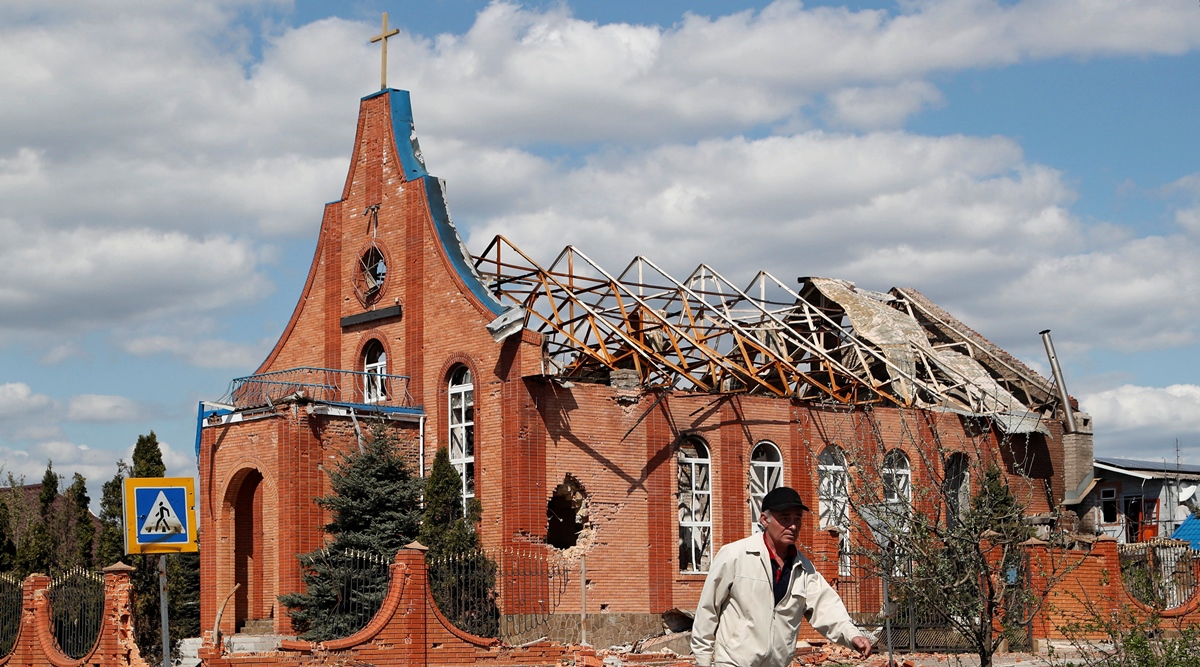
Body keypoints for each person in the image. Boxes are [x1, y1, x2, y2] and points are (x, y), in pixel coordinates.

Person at [691, 486, 872, 667]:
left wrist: (852, 635)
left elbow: (826, 607)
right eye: (785, 518)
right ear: (764, 519)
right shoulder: (735, 555)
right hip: (734, 663)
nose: (793, 526)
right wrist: (703, 660)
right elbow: (708, 610)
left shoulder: (803, 568)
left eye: (797, 519)